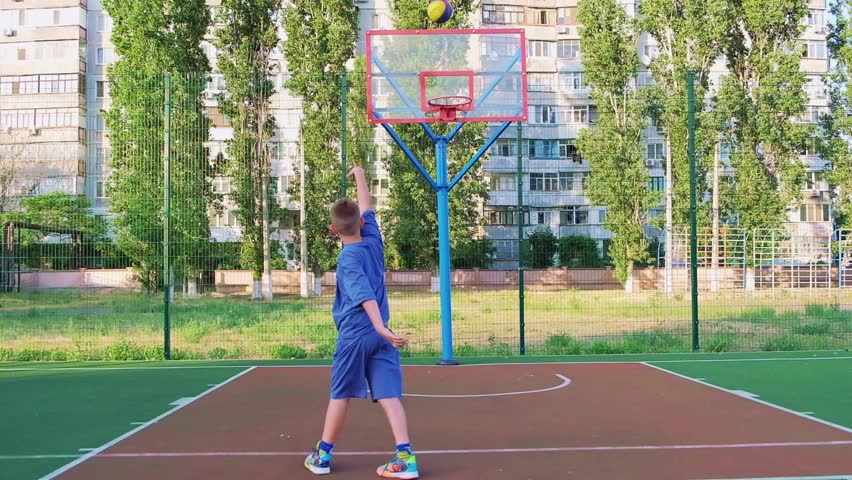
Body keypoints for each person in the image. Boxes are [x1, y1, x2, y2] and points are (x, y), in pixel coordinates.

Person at [304, 166, 419, 479]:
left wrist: (379, 325)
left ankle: (323, 455)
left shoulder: (348, 259)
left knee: (340, 394)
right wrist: (360, 175)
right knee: (388, 394)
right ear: (362, 223)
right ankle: (405, 457)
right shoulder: (373, 240)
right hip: (381, 335)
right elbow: (367, 207)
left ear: (333, 229)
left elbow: (365, 295)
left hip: (357, 334)